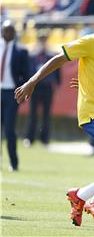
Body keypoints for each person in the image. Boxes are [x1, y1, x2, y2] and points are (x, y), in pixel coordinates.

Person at [15, 3, 94, 226]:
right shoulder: (93, 42)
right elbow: (59, 58)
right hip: (93, 109)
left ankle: (81, 196)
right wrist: (32, 81)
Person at [1, 20, 30, 172]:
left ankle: (13, 162)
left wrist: (22, 91)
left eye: (11, 31)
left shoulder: (20, 51)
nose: (8, 34)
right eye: (6, 31)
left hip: (10, 93)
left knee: (9, 129)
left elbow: (26, 75)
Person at [24, 34, 61, 147]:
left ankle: (45, 139)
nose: (43, 42)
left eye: (44, 40)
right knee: (33, 114)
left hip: (47, 88)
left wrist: (57, 85)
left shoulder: (51, 56)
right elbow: (28, 71)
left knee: (46, 114)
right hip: (35, 88)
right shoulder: (32, 55)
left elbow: (57, 73)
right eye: (41, 40)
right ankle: (30, 138)